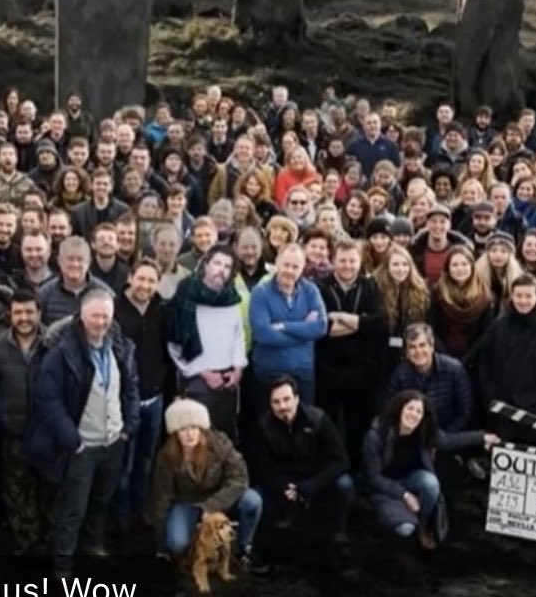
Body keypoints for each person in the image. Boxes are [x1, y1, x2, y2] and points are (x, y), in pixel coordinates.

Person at [24, 288, 139, 578]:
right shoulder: (62, 353)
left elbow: (131, 388)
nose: (100, 322)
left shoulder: (120, 347)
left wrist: (128, 427)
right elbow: (48, 401)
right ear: (82, 315)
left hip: (113, 442)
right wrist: (72, 440)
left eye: (106, 316)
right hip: (82, 446)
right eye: (95, 315)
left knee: (101, 502)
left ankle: (92, 548)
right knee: (72, 509)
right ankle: (63, 567)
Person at [362, 390, 498, 549]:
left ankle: (424, 524)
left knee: (430, 482)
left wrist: (482, 437)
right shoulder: (376, 435)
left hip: (411, 480)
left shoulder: (424, 430)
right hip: (384, 488)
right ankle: (387, 540)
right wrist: (404, 495)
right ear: (400, 408)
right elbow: (373, 478)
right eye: (410, 408)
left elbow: (449, 441)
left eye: (418, 411)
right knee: (405, 529)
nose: (413, 414)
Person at [150, 398, 268, 573]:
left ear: (201, 428)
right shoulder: (167, 456)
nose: (189, 434)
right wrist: (161, 547)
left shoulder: (220, 443)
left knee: (253, 501)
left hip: (220, 495)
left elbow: (239, 478)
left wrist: (211, 506)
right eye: (183, 429)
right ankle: (192, 551)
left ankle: (244, 549)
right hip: (187, 502)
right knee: (176, 543)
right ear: (175, 432)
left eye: (194, 427)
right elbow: (162, 498)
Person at [0, 290, 52, 555]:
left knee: (49, 491)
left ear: (39, 313)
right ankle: (25, 544)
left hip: (48, 434)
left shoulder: (53, 343)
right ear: (10, 315)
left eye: (29, 312)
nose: (24, 318)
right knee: (16, 493)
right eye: (18, 313)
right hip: (12, 434)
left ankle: (49, 546)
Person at [253, 377, 354, 544]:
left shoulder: (319, 419)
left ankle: (339, 533)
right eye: (276, 402)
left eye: (287, 399)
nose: (283, 406)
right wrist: (285, 487)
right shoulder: (263, 427)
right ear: (270, 405)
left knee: (345, 484)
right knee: (257, 494)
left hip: (315, 479)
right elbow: (261, 468)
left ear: (297, 398)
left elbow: (341, 461)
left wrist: (312, 484)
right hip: (284, 484)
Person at [316, 238, 386, 468]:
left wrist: (346, 319)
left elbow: (379, 324)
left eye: (352, 260)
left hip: (361, 371)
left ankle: (356, 471)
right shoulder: (320, 287)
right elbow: (319, 327)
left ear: (360, 262)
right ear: (334, 261)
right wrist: (360, 325)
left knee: (358, 426)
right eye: (342, 260)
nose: (347, 265)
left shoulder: (370, 287)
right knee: (328, 425)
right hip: (328, 369)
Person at [168, 245, 248, 442]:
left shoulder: (232, 297)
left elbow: (239, 335)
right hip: (197, 380)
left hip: (228, 380)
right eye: (217, 263)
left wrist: (238, 369)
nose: (221, 270)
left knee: (224, 439)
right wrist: (204, 373)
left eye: (227, 266)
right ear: (205, 265)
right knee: (197, 440)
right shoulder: (186, 293)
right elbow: (175, 343)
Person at [113, 259, 170, 530]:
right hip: (124, 402)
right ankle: (121, 518)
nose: (145, 285)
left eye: (151, 280)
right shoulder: (115, 309)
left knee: (146, 460)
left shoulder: (161, 309)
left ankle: (141, 511)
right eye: (141, 279)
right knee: (124, 464)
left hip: (154, 399)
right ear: (130, 278)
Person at [477, 274, 536, 436]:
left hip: (535, 417)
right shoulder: (498, 326)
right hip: (500, 410)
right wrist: (491, 393)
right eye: (519, 295)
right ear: (512, 296)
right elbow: (484, 361)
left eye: (528, 296)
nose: (523, 301)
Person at [249, 243, 327, 414]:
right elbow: (263, 335)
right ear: (277, 263)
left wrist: (284, 326)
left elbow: (320, 327)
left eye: (295, 266)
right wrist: (304, 331)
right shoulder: (260, 293)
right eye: (286, 265)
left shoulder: (311, 290)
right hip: (269, 372)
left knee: (305, 426)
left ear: (302, 268)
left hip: (303, 373)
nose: (290, 271)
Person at [387, 323, 473, 434]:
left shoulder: (454, 370)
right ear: (406, 352)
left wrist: (443, 438)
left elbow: (465, 412)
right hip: (413, 437)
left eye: (422, 345)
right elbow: (390, 410)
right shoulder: (399, 375)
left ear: (432, 347)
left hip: (449, 435)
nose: (418, 352)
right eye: (412, 347)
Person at [38, 236, 113, 325]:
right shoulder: (44, 294)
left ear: (89, 262)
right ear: (59, 261)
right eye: (70, 259)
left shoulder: (105, 293)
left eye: (80, 259)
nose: (75, 264)